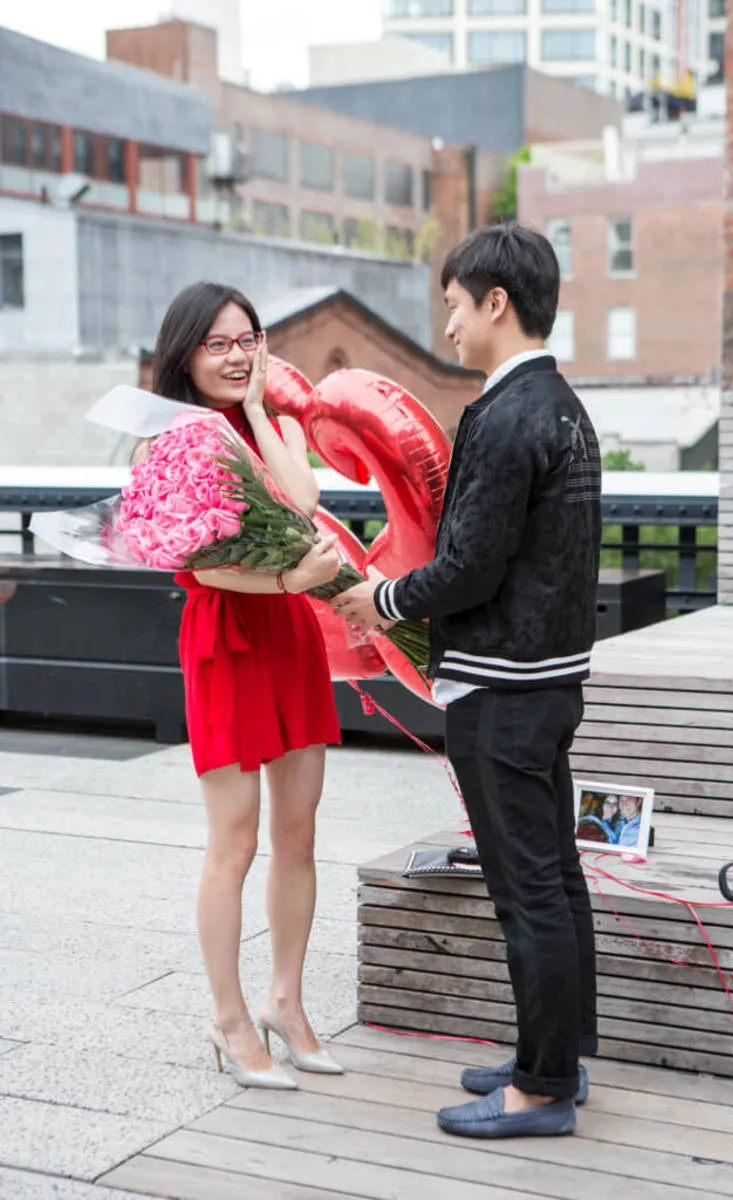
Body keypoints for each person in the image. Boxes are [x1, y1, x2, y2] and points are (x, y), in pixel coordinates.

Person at [334, 223, 602, 1139]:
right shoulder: (564, 404)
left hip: (503, 689)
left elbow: (470, 567)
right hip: (552, 683)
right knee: (555, 877)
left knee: (526, 886)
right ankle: (559, 1056)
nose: (446, 325)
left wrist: (383, 596)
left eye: (452, 304)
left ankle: (541, 1089)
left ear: (496, 302)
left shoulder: (502, 412)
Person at [151, 282, 344, 1088]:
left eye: (248, 340)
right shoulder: (169, 440)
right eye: (218, 344)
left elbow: (302, 503)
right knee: (234, 842)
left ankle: (286, 1004)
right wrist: (292, 581)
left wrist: (262, 413)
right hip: (227, 638)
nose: (236, 356)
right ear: (186, 353)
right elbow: (198, 564)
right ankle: (228, 1018)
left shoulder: (282, 422)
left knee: (299, 837)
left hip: (291, 636)